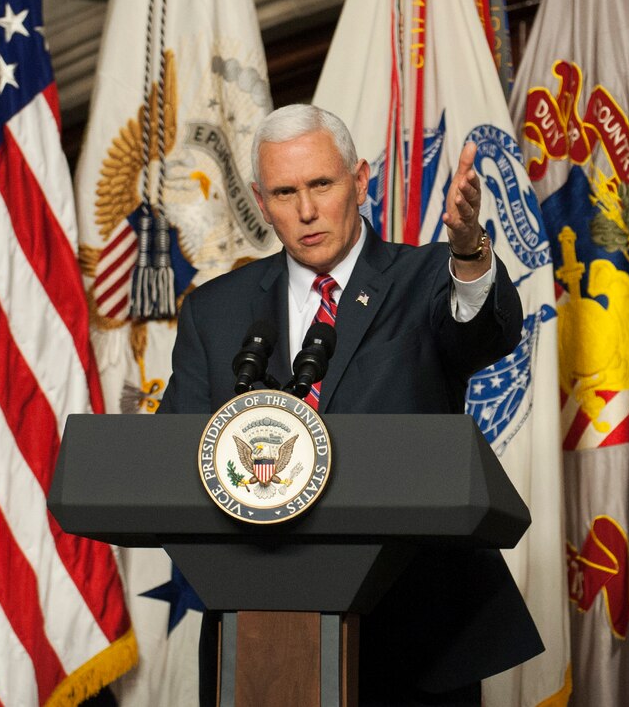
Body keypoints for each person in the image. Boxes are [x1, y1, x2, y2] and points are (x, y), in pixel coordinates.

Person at [157, 104, 542, 706]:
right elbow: (173, 466)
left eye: (321, 185)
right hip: (259, 635)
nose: (306, 211)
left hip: (415, 634)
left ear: (360, 181)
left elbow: (482, 331)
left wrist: (468, 254)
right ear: (261, 202)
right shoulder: (217, 310)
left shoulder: (425, 279)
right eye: (285, 192)